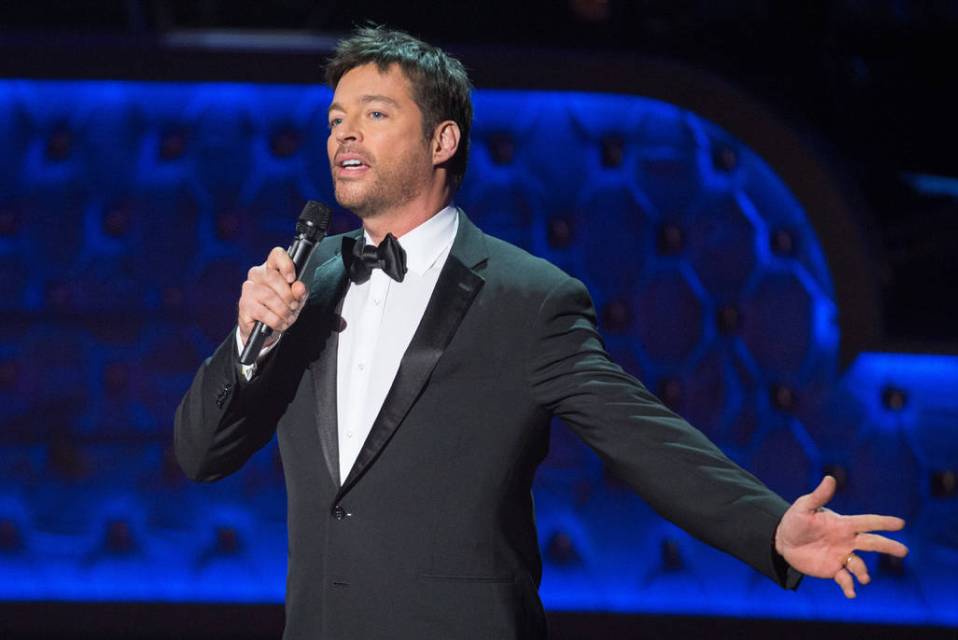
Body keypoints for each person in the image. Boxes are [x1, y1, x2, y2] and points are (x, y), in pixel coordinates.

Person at [174, 25, 908, 640]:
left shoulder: (529, 299)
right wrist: (250, 340)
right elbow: (201, 454)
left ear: (442, 140)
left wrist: (772, 529)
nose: (344, 134)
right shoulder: (312, 277)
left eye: (374, 114)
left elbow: (644, 436)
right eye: (335, 119)